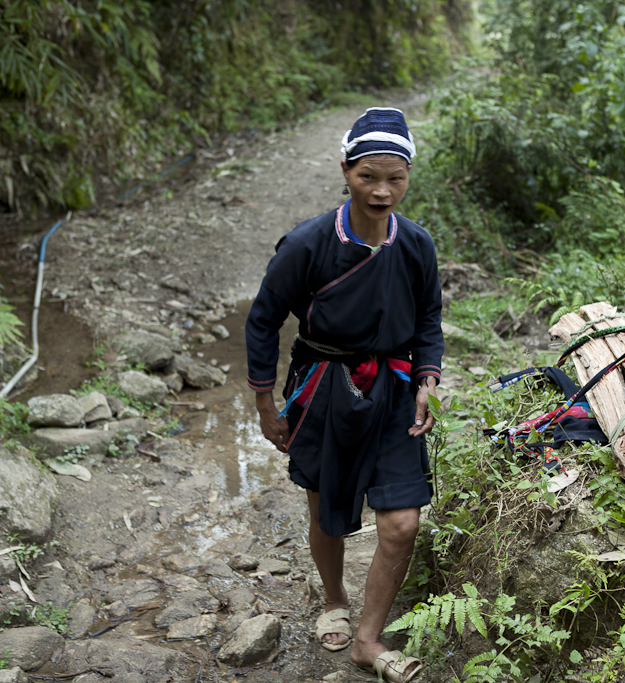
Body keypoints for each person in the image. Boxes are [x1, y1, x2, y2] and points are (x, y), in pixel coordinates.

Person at [244, 107, 443, 683]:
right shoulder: (309, 243)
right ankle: (333, 597)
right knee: (327, 510)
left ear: (408, 176)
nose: (382, 192)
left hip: (395, 389)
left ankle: (367, 639)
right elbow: (262, 321)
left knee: (402, 522)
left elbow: (429, 316)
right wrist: (264, 403)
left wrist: (427, 379)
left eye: (395, 178)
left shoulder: (416, 245)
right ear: (346, 171)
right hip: (324, 386)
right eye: (368, 177)